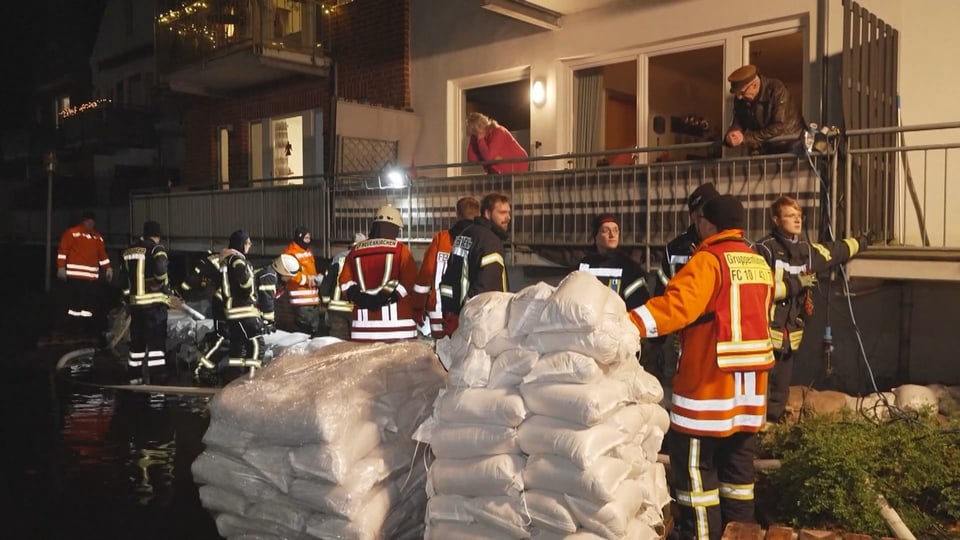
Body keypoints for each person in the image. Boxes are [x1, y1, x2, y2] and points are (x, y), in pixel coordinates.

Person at [628, 195, 775, 540]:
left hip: (708, 390)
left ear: (708, 223)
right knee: (738, 478)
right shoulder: (757, 261)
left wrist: (627, 323)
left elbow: (676, 307)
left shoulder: (708, 261)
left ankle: (701, 536)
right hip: (750, 391)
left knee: (695, 474)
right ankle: (741, 533)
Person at [752, 195, 869, 422]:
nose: (797, 220)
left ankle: (770, 429)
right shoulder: (763, 250)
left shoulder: (806, 250)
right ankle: (752, 431)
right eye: (790, 216)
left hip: (789, 336)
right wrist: (797, 284)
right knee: (759, 388)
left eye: (799, 215)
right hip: (764, 334)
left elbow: (834, 251)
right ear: (776, 219)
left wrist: (863, 242)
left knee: (780, 389)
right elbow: (759, 292)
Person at [648, 183, 720, 383]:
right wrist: (658, 337)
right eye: (703, 213)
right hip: (681, 332)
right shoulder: (676, 248)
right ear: (694, 216)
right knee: (678, 381)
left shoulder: (730, 244)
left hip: (718, 329)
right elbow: (662, 290)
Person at [337, 207, 419, 342]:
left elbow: (345, 282)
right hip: (399, 328)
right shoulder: (401, 250)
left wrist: (361, 298)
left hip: (363, 329)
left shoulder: (355, 251)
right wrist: (388, 298)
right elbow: (409, 282)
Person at [439, 193, 511, 336]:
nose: (508, 217)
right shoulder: (490, 241)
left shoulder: (464, 235)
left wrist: (451, 312)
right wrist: (467, 316)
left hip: (455, 316)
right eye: (502, 213)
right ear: (487, 213)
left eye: (509, 213)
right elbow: (487, 288)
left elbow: (449, 279)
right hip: (481, 325)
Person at [411, 197, 481, 338]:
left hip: (440, 313)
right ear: (479, 214)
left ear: (457, 215)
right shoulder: (481, 240)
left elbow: (426, 273)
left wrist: (418, 306)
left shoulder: (441, 239)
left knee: (442, 355)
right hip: (473, 312)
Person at [121, 221, 170, 385]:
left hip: (136, 306)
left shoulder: (129, 251)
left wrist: (127, 299)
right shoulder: (157, 249)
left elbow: (123, 279)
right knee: (156, 344)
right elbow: (161, 269)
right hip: (154, 305)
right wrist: (160, 283)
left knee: (137, 343)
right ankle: (158, 381)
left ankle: (134, 378)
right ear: (157, 235)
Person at [56, 210, 113, 342]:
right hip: (75, 278)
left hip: (91, 279)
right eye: (88, 221)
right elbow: (63, 251)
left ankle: (86, 331)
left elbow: (102, 255)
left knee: (88, 307)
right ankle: (73, 329)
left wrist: (108, 268)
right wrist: (61, 267)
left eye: (92, 221)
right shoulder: (72, 233)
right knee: (75, 307)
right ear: (83, 221)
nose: (91, 223)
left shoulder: (97, 237)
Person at [724, 64, 803, 155]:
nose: (739, 97)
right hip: (769, 147)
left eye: (742, 92)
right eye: (736, 94)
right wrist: (733, 134)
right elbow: (738, 121)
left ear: (754, 85)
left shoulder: (777, 89)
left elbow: (779, 126)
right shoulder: (740, 99)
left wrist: (746, 138)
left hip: (792, 145)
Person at [578, 213, 650, 311]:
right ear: (595, 237)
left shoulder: (630, 268)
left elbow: (639, 304)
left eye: (616, 230)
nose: (612, 235)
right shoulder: (583, 266)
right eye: (605, 231)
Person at [220, 230, 264, 379]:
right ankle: (252, 380)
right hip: (245, 310)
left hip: (233, 312)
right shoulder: (238, 260)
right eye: (247, 242)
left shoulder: (227, 260)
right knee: (257, 346)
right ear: (241, 244)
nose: (250, 245)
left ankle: (235, 381)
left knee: (238, 349)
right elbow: (245, 284)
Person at [180, 250, 228, 380]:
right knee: (223, 337)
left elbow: (192, 280)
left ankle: (204, 365)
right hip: (224, 302)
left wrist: (182, 291)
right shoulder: (222, 260)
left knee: (222, 336)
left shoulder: (206, 262)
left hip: (223, 301)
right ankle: (202, 368)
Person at [319, 233, 366, 340]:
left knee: (337, 343)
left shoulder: (338, 258)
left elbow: (327, 283)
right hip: (356, 309)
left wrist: (326, 303)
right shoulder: (365, 260)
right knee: (356, 343)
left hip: (336, 310)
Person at [282, 226, 325, 336]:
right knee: (305, 332)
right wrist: (308, 279)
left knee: (314, 331)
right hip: (301, 301)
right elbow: (290, 274)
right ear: (299, 237)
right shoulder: (290, 253)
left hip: (312, 300)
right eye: (306, 238)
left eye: (309, 238)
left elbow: (310, 271)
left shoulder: (307, 252)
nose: (309, 241)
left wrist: (316, 278)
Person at [255, 253, 302, 334]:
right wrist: (268, 321)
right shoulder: (269, 276)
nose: (290, 278)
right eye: (290, 276)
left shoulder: (272, 275)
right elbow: (267, 300)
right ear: (283, 271)